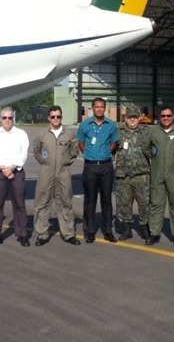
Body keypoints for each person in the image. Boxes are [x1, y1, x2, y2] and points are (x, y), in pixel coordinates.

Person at [33, 105, 81, 246]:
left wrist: (65, 162)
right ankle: (42, 234)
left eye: (58, 116)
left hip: (63, 171)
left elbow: (74, 151)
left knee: (65, 202)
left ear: (61, 117)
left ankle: (68, 233)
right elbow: (37, 152)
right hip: (46, 171)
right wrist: (45, 162)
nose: (55, 119)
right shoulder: (41, 135)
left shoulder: (69, 134)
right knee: (42, 202)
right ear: (49, 118)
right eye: (53, 116)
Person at [141, 106, 174, 245]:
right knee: (156, 204)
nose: (166, 118)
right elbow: (145, 148)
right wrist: (155, 158)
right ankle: (154, 233)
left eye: (168, 116)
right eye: (163, 116)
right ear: (160, 117)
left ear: (173, 117)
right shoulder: (153, 131)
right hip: (157, 174)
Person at [77, 97, 118, 243]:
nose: (99, 109)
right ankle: (89, 231)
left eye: (102, 107)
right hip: (91, 166)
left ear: (104, 108)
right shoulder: (85, 124)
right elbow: (80, 142)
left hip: (106, 166)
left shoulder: (111, 125)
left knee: (106, 200)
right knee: (90, 200)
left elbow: (114, 142)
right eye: (97, 107)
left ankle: (108, 231)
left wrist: (108, 150)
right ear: (92, 108)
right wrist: (87, 152)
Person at [0, 108, 30, 247]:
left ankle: (22, 234)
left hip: (16, 172)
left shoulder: (21, 134)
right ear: (0, 119)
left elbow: (24, 153)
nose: (7, 120)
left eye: (9, 118)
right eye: (4, 118)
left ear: (13, 119)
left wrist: (11, 168)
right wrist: (3, 169)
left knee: (20, 205)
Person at [115, 106, 150, 241]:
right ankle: (127, 228)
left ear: (139, 118)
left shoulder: (146, 132)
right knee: (124, 204)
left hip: (142, 175)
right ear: (125, 118)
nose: (132, 120)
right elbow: (111, 148)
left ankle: (144, 229)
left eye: (135, 117)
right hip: (123, 175)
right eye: (130, 117)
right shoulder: (118, 132)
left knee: (144, 204)